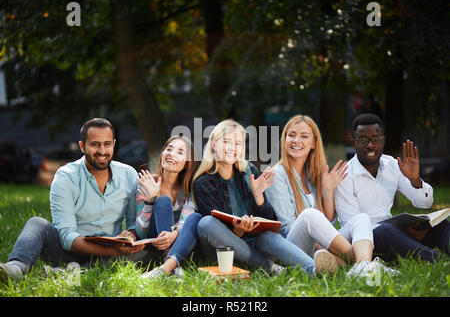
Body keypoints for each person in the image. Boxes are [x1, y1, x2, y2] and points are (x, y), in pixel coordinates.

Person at [0, 118, 154, 283]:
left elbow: (133, 224)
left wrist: (129, 235)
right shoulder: (65, 176)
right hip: (69, 252)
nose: (102, 150)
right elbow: (67, 238)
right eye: (95, 144)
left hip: (111, 250)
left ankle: (66, 273)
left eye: (107, 144)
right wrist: (114, 252)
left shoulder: (128, 174)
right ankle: (15, 268)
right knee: (37, 223)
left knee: (149, 251)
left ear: (114, 144)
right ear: (82, 146)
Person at [192, 119, 338, 276]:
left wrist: (258, 196)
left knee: (269, 236)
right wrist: (238, 231)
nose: (232, 148)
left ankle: (314, 270)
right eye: (227, 142)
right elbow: (217, 232)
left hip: (254, 244)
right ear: (213, 144)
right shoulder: (203, 183)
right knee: (206, 223)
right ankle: (270, 268)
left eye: (238, 144)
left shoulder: (249, 171)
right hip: (224, 252)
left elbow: (270, 220)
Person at [265, 115, 393, 277]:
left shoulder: (312, 174)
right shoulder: (278, 175)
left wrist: (328, 191)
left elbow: (327, 220)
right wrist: (325, 244)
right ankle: (365, 263)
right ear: (284, 140)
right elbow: (287, 227)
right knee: (309, 215)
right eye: (291, 135)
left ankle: (361, 267)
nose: (296, 140)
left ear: (313, 143)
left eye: (304, 136)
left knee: (361, 218)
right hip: (293, 247)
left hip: (318, 245)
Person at [334, 113, 450, 263]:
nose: (370, 145)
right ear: (354, 143)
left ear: (383, 141)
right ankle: (436, 260)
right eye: (363, 140)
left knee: (439, 224)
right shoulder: (344, 175)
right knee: (386, 231)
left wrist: (415, 179)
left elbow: (424, 203)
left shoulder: (393, 165)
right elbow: (352, 224)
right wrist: (399, 232)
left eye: (376, 139)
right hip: (366, 243)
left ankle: (414, 247)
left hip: (395, 235)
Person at [136, 135, 202, 278]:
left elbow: (186, 221)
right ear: (162, 154)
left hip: (179, 242)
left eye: (180, 152)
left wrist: (175, 234)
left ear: (187, 163)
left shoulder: (189, 189)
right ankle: (171, 265)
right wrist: (151, 199)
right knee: (163, 201)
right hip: (153, 241)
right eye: (169, 149)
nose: (171, 154)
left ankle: (166, 267)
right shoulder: (146, 183)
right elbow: (140, 233)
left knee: (196, 217)